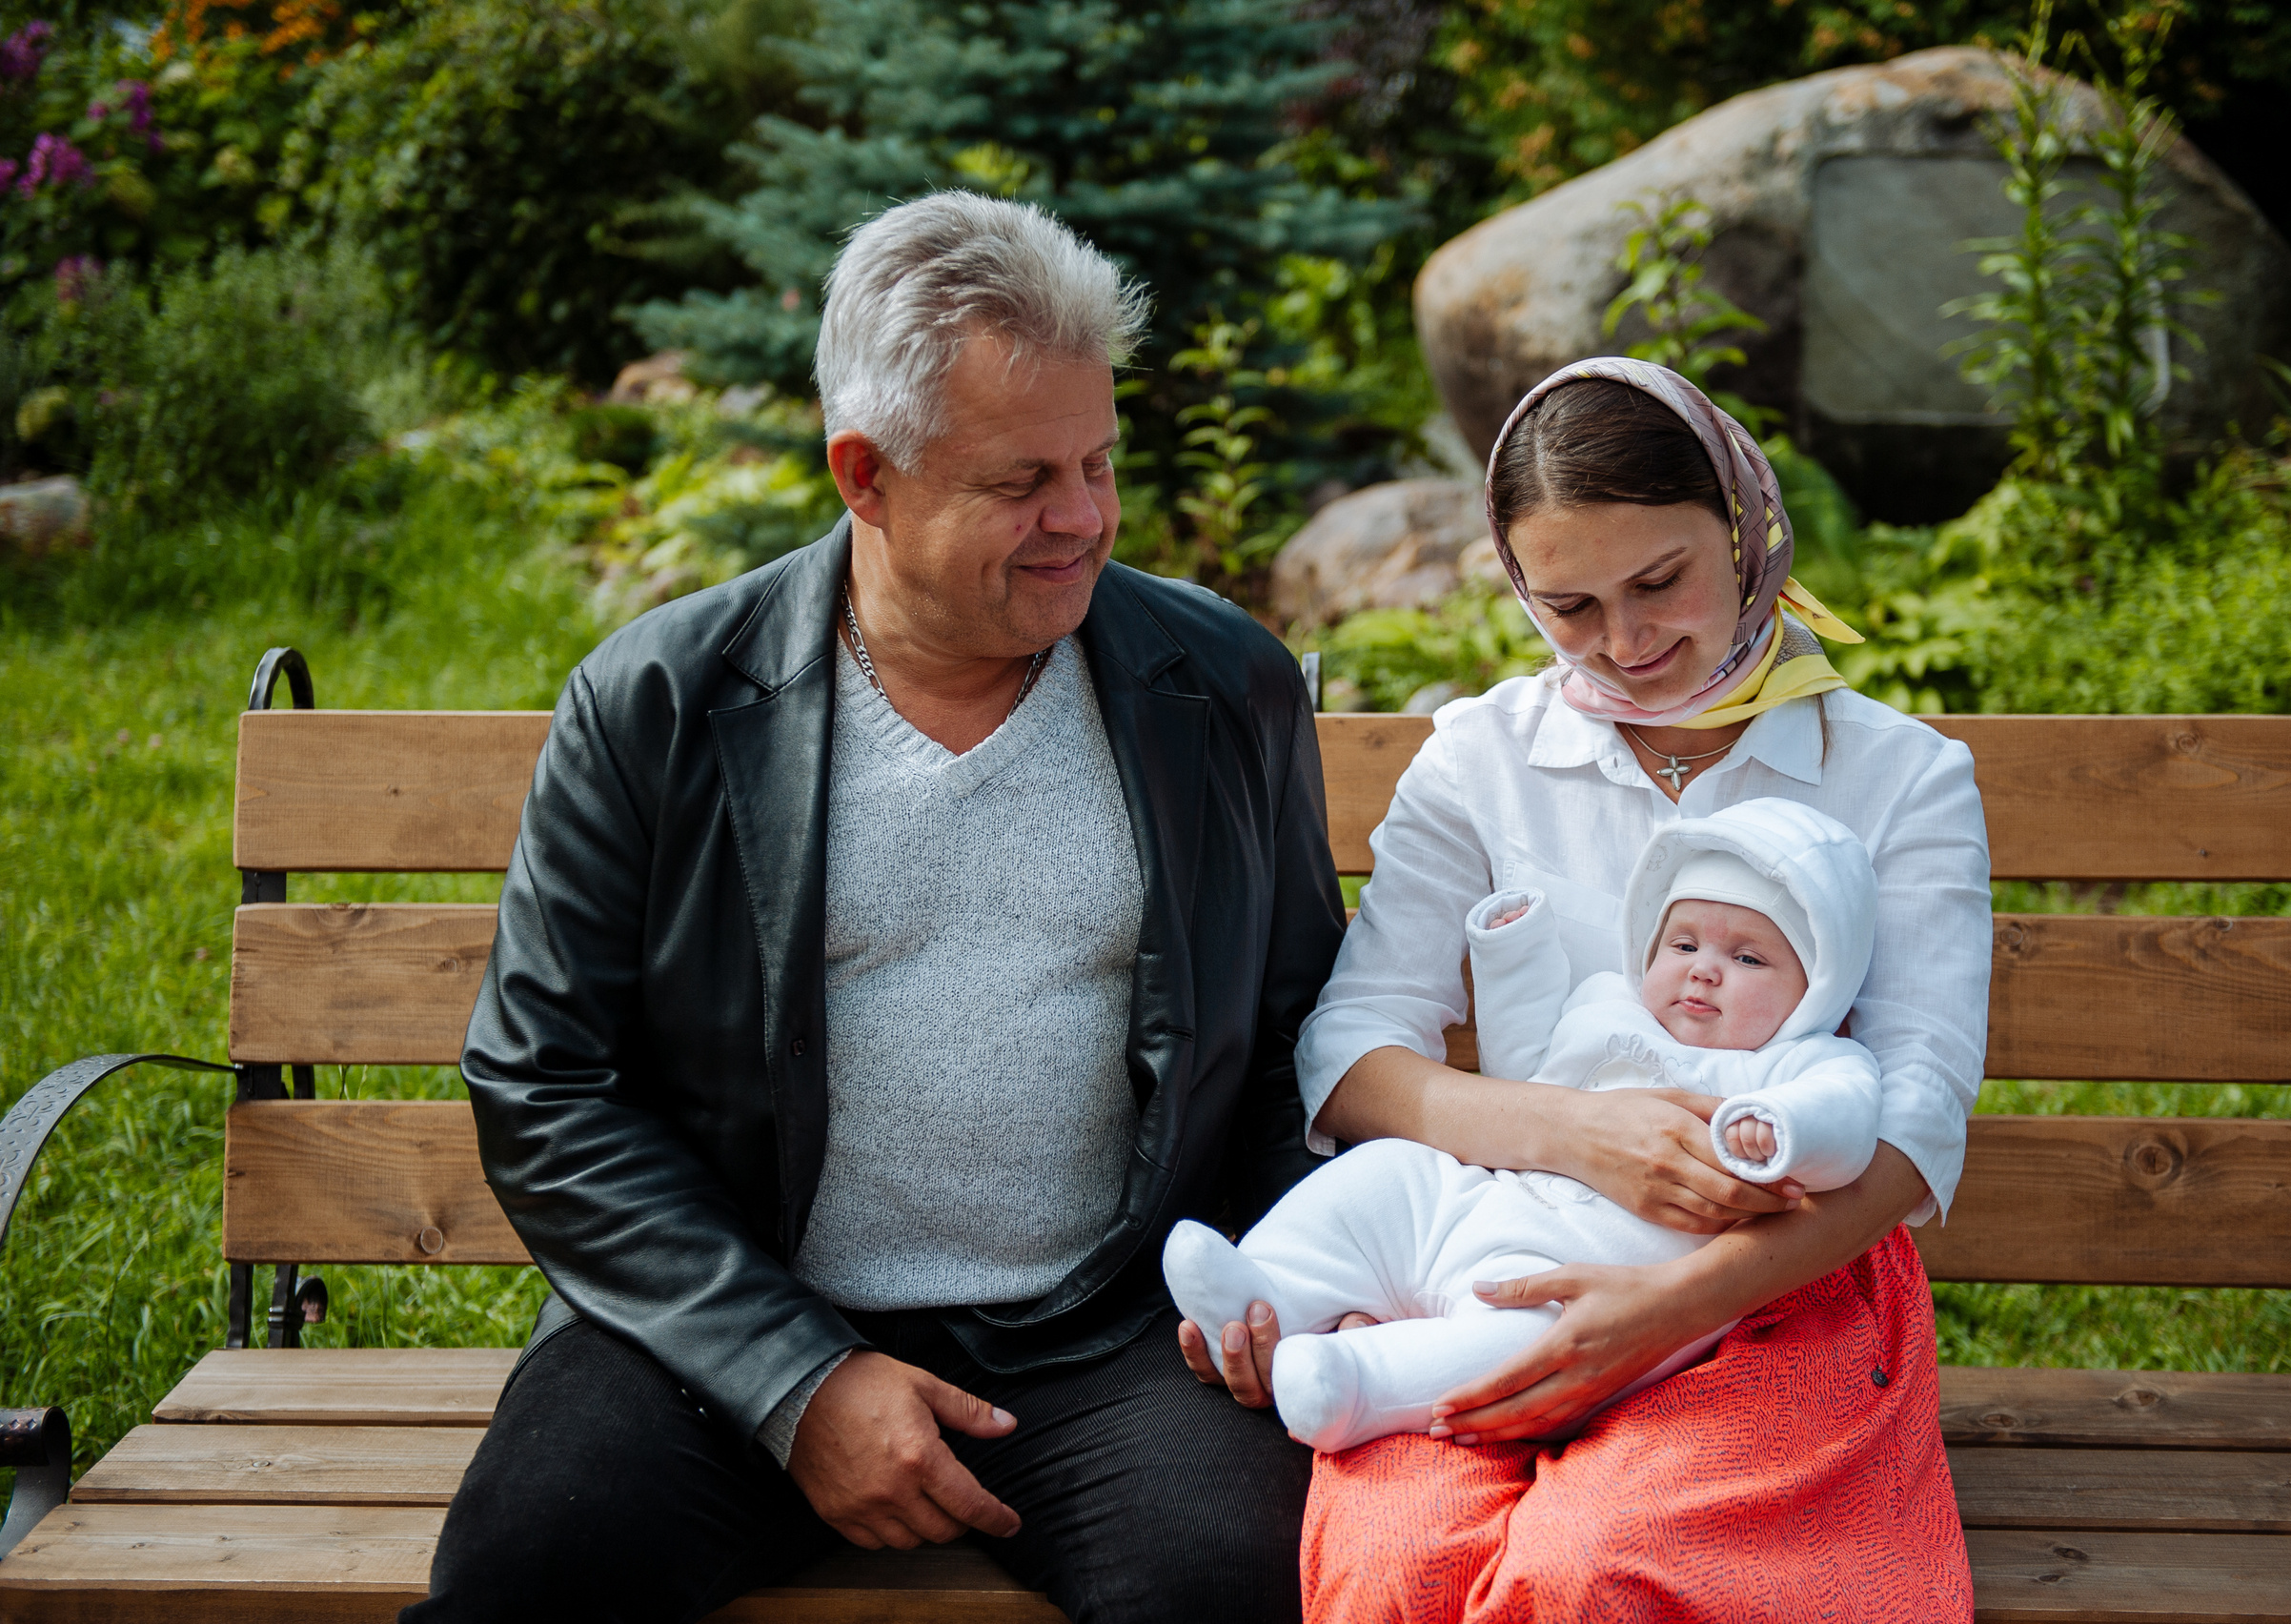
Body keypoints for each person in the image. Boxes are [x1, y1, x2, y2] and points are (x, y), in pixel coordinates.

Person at [405, 192, 1343, 1624]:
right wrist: (799, 1379)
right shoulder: (655, 702)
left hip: (1111, 1335)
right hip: (723, 1329)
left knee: (1241, 1589)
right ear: (866, 475)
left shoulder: (1224, 686)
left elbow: (1295, 1045)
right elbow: (546, 1087)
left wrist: (1285, 1280)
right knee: (527, 1578)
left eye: (1099, 462)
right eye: (1023, 481)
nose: (1084, 519)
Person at [1179, 356, 1987, 1622]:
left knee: (1592, 1570)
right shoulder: (1483, 759)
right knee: (1395, 1565)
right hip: (1488, 1256)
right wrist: (1577, 1135)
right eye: (1568, 605)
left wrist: (1673, 1303)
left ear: (1742, 526)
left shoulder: (1899, 776)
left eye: (1660, 581)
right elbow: (1354, 1049)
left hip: (1768, 1285)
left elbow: (1918, 1112)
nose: (1626, 641)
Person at [1165, 798, 1884, 1453]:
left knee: (1524, 1342)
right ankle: (1270, 1290)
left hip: (1585, 1284)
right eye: (1684, 945)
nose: (1704, 972)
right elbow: (1524, 1064)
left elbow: (1848, 1125)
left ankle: (1354, 1385)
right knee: (1387, 1174)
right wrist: (1515, 955)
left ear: (1815, 988)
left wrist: (1783, 1129)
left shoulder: (1797, 1064)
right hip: (1484, 1201)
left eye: (1747, 957)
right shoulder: (1608, 1002)